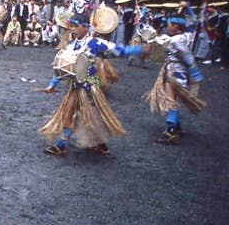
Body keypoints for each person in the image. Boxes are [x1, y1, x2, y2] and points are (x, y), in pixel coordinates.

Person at [40, 13, 143, 156]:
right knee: (77, 114)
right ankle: (94, 144)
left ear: (86, 27)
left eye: (76, 26)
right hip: (76, 86)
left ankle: (62, 145)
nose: (73, 29)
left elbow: (119, 50)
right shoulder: (72, 45)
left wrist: (138, 49)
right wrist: (53, 83)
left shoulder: (95, 43)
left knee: (79, 114)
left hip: (90, 86)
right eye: (72, 26)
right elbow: (62, 66)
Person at [145, 15, 205, 144]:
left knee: (170, 101)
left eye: (170, 25)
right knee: (172, 100)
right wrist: (187, 8)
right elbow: (192, 26)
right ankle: (177, 126)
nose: (168, 27)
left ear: (176, 26)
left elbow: (188, 57)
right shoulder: (187, 36)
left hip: (174, 73)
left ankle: (170, 130)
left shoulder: (175, 40)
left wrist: (195, 72)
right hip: (180, 74)